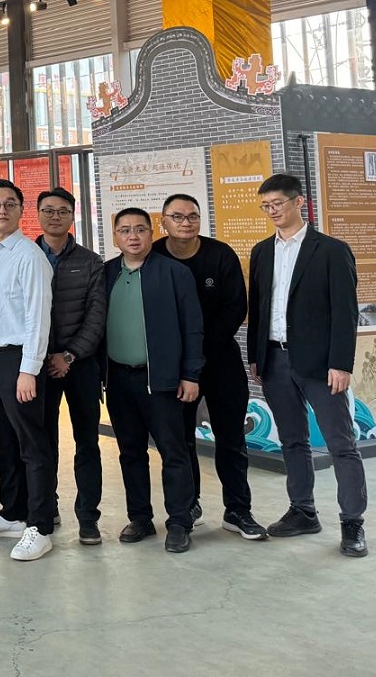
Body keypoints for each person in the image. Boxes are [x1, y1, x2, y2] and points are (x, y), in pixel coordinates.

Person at [247, 173, 368, 557]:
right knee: (292, 440)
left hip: (320, 365)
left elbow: (345, 313)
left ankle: (352, 523)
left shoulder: (331, 250)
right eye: (265, 206)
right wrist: (256, 356)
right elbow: (257, 308)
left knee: (340, 444)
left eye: (277, 204)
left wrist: (341, 364)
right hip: (275, 360)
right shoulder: (262, 252)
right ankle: (303, 511)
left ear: (300, 202)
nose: (272, 211)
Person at [159, 194, 268, 541]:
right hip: (174, 365)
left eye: (192, 216)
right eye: (177, 216)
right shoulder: (155, 256)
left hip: (220, 359)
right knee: (180, 441)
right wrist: (181, 354)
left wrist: (199, 349)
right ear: (163, 222)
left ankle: (238, 509)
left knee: (231, 438)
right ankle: (187, 507)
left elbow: (236, 307)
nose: (186, 222)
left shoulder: (220, 255)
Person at [102, 209, 204, 554]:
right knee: (130, 452)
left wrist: (190, 374)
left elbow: (193, 328)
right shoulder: (107, 273)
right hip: (118, 379)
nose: (133, 236)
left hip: (160, 381)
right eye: (125, 230)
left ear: (152, 233)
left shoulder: (174, 273)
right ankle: (140, 518)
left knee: (173, 452)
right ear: (115, 236)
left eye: (140, 229)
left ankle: (179, 522)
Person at [0, 179, 57, 561]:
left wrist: (29, 370)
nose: (2, 210)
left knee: (32, 445)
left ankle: (40, 526)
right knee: (3, 441)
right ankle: (13, 514)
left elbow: (39, 318)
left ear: (21, 210)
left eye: (9, 203)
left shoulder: (30, 256)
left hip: (20, 360)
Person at [35, 187, 106, 545]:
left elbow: (97, 315)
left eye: (62, 210)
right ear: (37, 214)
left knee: (87, 442)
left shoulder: (91, 262)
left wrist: (69, 355)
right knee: (42, 441)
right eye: (48, 210)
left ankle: (88, 517)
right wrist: (45, 355)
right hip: (38, 365)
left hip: (81, 365)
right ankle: (47, 507)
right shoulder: (26, 255)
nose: (55, 216)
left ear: (72, 215)